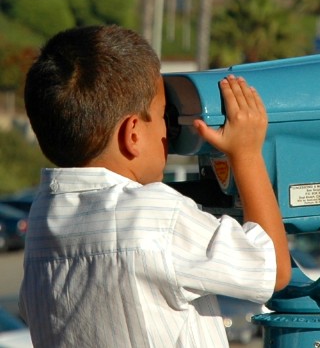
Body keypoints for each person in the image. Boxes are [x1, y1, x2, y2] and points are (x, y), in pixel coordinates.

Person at [19, 25, 291, 347]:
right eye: (164, 116)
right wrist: (246, 154)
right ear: (133, 134)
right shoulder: (156, 217)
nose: (169, 131)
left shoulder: (42, 223)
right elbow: (272, 268)